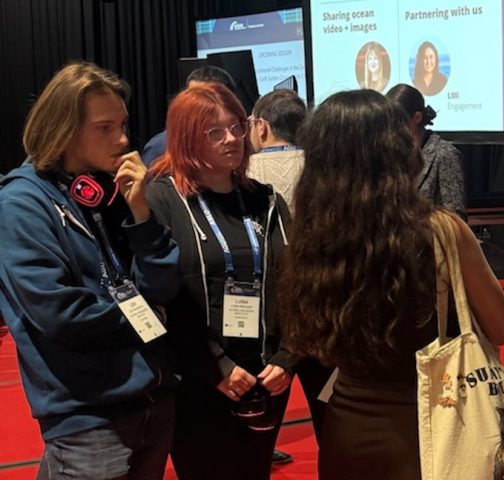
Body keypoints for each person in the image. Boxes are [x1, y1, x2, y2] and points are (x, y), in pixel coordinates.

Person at [279, 89, 504, 480]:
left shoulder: (314, 239)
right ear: (396, 151)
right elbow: (503, 329)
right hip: (430, 429)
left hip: (344, 432)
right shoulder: (442, 231)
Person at [0, 62, 180, 479]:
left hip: (153, 404)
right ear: (64, 129)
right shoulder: (22, 205)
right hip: (89, 422)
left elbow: (163, 283)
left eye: (124, 124)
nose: (122, 139)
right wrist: (149, 315)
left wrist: (140, 213)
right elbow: (63, 316)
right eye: (104, 127)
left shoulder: (113, 192)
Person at [146, 82, 296, 479]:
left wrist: (288, 358)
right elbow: (166, 297)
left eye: (236, 127)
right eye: (214, 132)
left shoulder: (265, 201)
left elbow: (298, 284)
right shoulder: (162, 200)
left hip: (267, 375)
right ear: (187, 136)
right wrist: (217, 367)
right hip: (200, 381)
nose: (231, 139)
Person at [246, 88, 335, 441]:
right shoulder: (326, 173)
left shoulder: (242, 175)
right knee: (333, 431)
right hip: (324, 318)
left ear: (262, 127)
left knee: (256, 439)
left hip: (266, 324)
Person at [386, 83, 466, 218]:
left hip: (428, 237)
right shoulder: (390, 154)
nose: (390, 128)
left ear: (417, 117)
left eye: (396, 121)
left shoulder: (444, 154)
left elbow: (456, 220)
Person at [141, 65, 238, 167]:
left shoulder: (239, 139)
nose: (196, 107)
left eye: (206, 99)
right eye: (192, 98)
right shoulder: (161, 146)